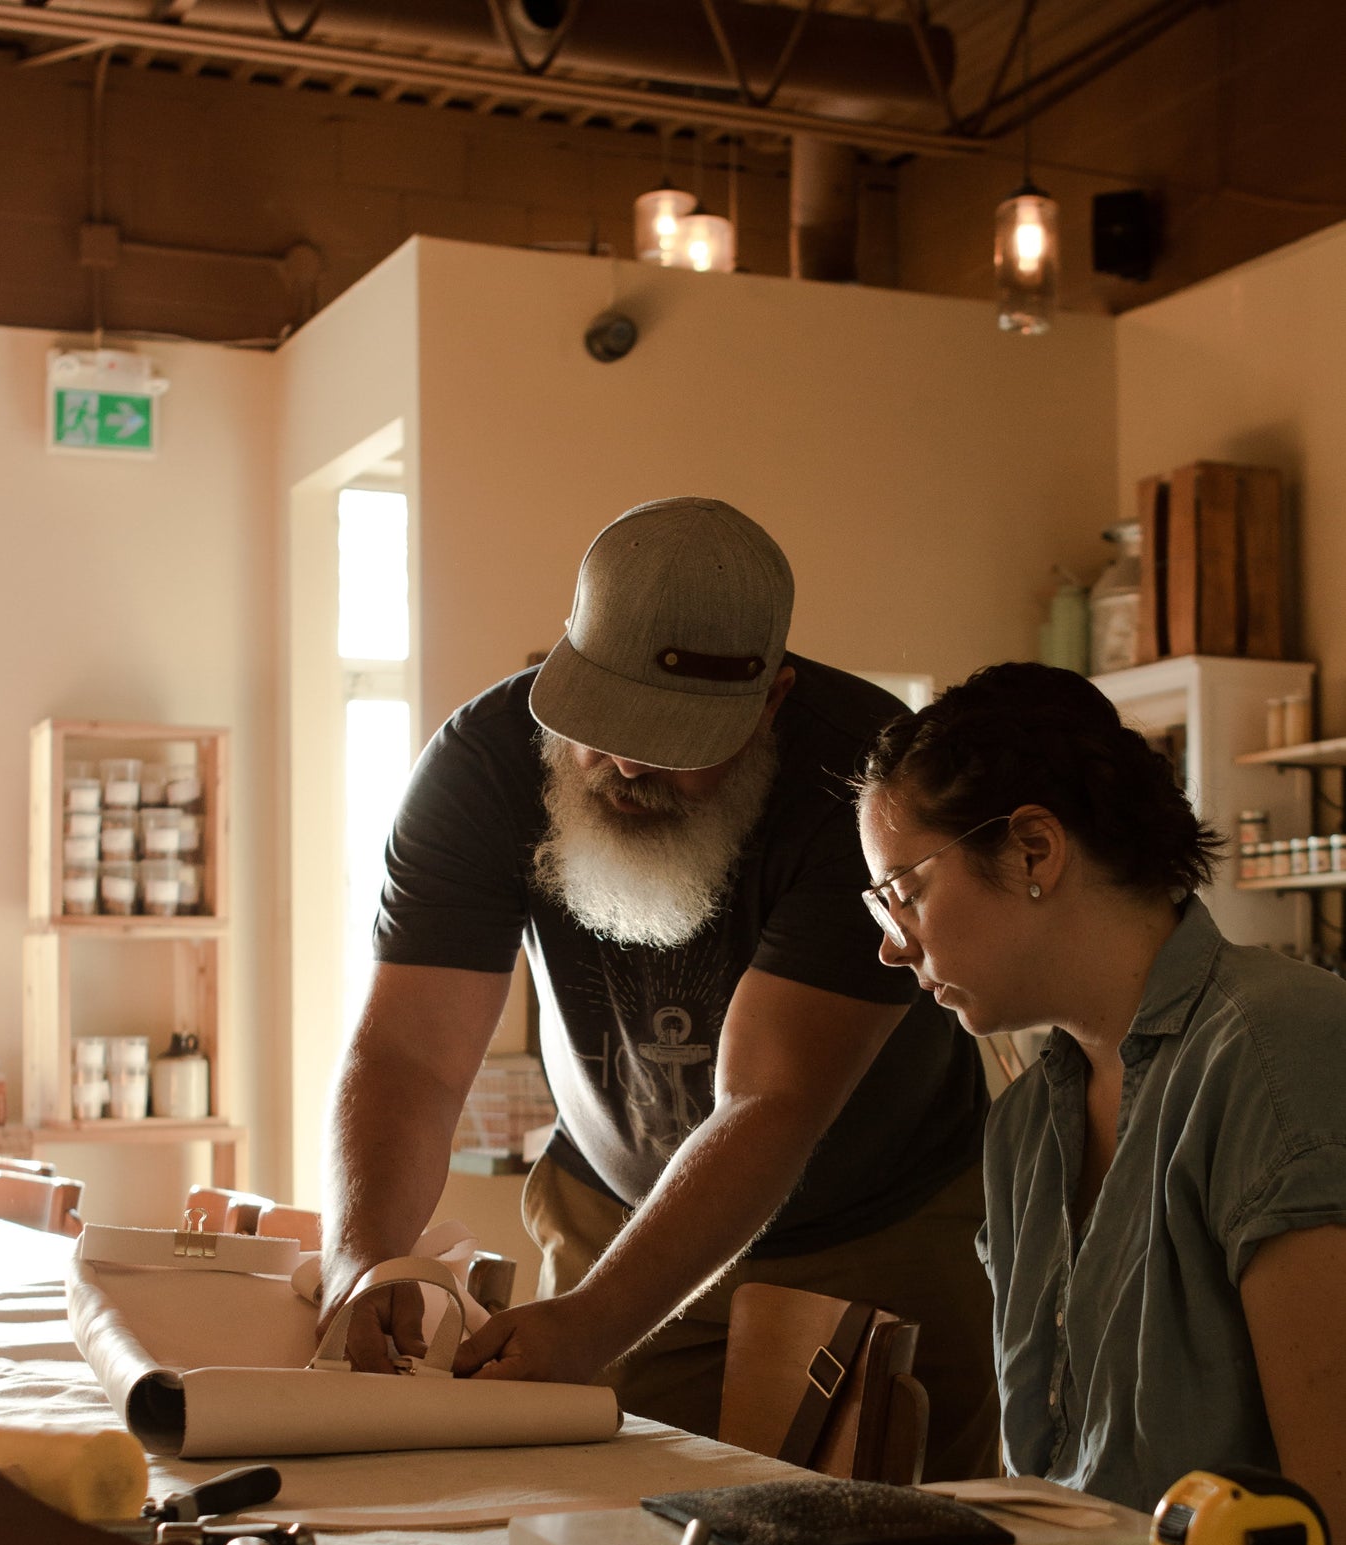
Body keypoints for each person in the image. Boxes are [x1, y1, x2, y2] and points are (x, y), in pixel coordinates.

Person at [323, 496, 997, 1478]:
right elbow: (407, 1056)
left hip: (876, 1225)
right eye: (603, 724)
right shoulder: (480, 765)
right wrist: (363, 1258)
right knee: (600, 1529)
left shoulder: (869, 782)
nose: (628, 761)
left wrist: (597, 1318)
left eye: (677, 741)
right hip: (612, 1212)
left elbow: (771, 1101)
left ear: (772, 700)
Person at [856, 660, 1346, 1545]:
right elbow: (1045, 1493)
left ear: (1033, 849)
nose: (892, 947)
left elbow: (1334, 1533)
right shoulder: (1024, 1125)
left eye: (905, 893)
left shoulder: (1278, 1052)